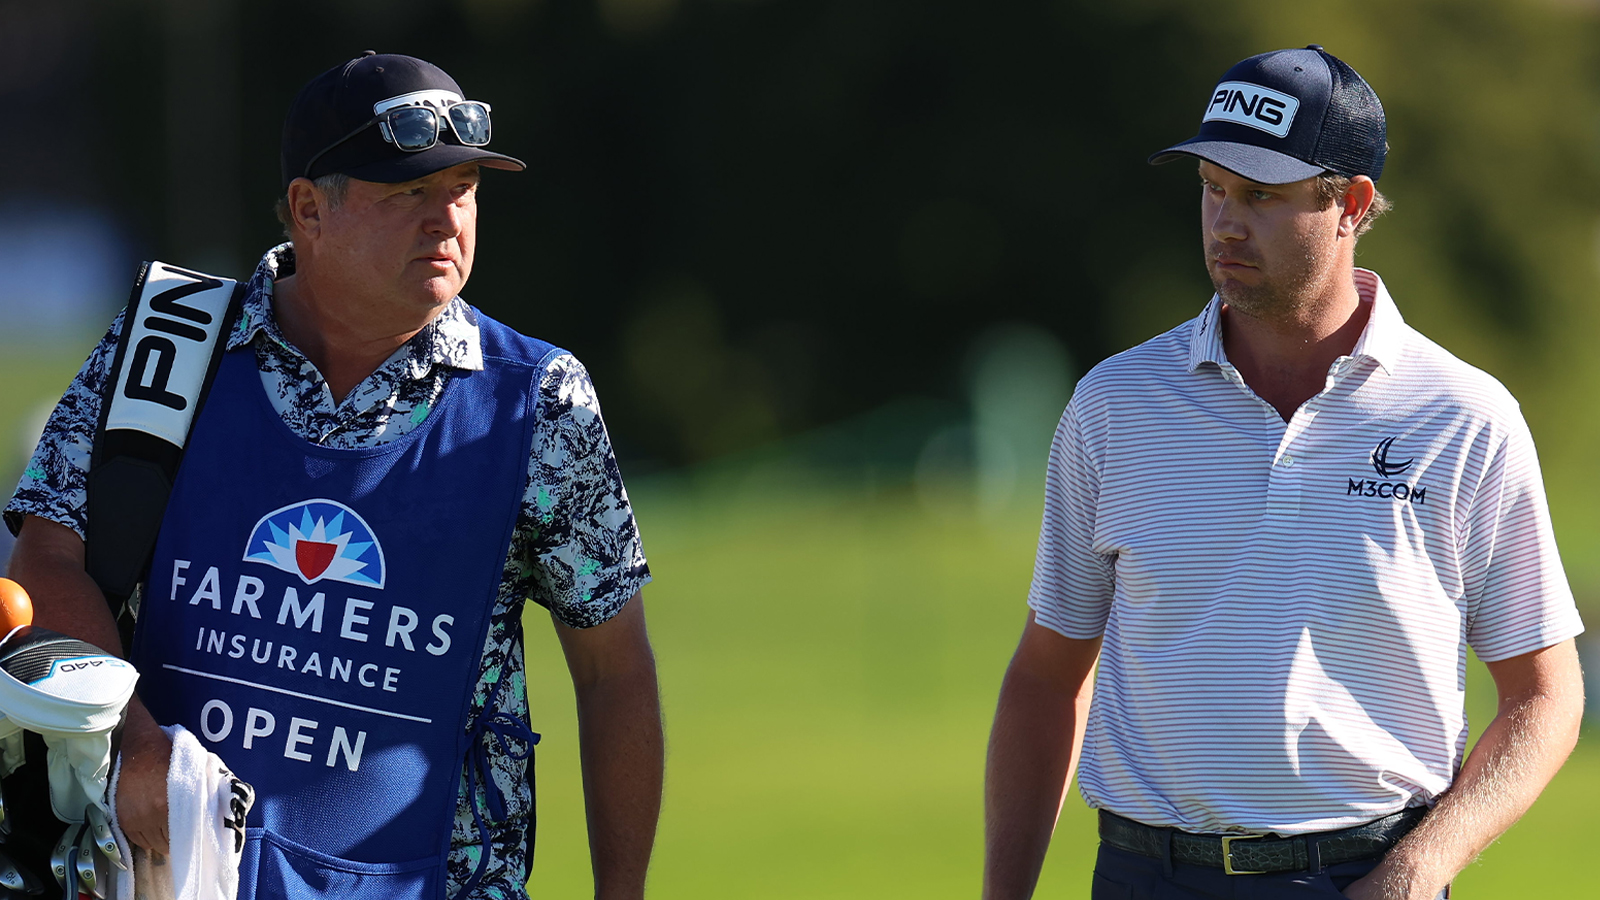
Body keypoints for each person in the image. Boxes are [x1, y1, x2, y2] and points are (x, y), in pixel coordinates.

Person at [5, 51, 662, 899]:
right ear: (310, 209)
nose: (447, 220)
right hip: (167, 871)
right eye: (409, 193)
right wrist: (132, 743)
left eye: (462, 189)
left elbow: (614, 671)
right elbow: (47, 556)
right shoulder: (167, 342)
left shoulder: (539, 400)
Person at [982, 46, 1586, 900]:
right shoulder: (1114, 405)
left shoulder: (1464, 416)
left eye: (1261, 196)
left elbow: (1546, 696)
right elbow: (1047, 676)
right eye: (1213, 188)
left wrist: (1422, 867)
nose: (1226, 223)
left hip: (1366, 876)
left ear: (1352, 205)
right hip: (1144, 878)